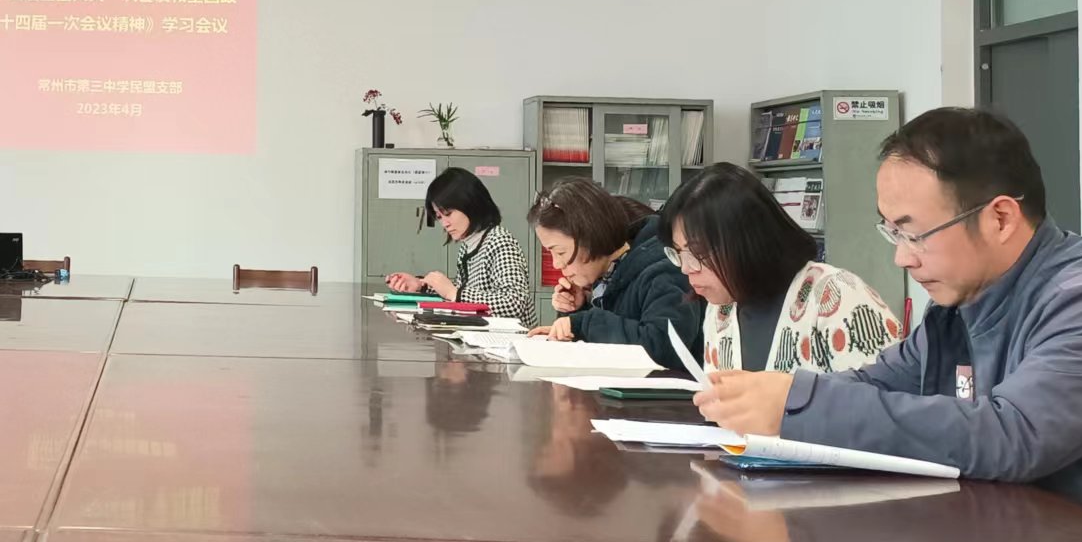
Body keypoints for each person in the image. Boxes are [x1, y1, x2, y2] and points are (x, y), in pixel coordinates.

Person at [696, 107, 1082, 534]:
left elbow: (1010, 436)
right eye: (892, 232)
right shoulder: (961, 306)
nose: (902, 258)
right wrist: (770, 399)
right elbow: (877, 382)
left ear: (1000, 218)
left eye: (914, 233)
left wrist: (798, 404)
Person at [657, 163, 902, 373]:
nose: (686, 268)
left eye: (698, 253)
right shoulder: (720, 311)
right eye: (679, 253)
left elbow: (880, 403)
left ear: (747, 240)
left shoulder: (837, 295)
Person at [527, 179, 700, 366]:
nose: (556, 264)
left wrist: (583, 323)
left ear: (591, 237)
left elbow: (665, 347)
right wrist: (576, 310)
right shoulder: (607, 276)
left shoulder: (664, 270)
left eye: (560, 252)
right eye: (550, 253)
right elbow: (616, 336)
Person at [385, 167, 537, 327]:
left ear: (471, 204)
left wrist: (455, 293)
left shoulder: (500, 242)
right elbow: (461, 296)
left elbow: (514, 303)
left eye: (448, 213)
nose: (444, 223)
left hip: (509, 339)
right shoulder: (469, 245)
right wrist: (421, 285)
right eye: (439, 217)